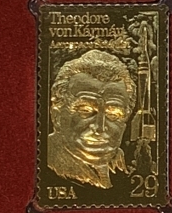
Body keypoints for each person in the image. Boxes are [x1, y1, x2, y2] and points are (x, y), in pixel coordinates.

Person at [48, 49, 135, 189]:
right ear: (56, 117)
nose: (100, 128)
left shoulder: (125, 163)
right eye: (85, 111)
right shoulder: (47, 163)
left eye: (113, 115)